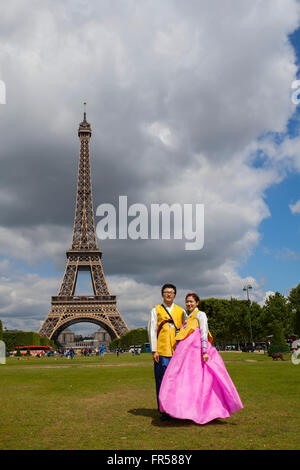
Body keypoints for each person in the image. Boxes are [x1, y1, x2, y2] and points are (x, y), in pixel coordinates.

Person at [159, 292, 243, 424]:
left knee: (200, 382)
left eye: (191, 301)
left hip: (197, 352)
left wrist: (204, 350)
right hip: (188, 354)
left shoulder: (200, 314)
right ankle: (191, 410)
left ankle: (203, 410)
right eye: (187, 301)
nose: (189, 304)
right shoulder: (188, 317)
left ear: (197, 303)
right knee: (192, 383)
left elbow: (204, 331)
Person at [147, 283, 186, 421]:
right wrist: (154, 350)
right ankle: (163, 410)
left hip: (177, 352)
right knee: (161, 381)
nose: (168, 294)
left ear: (175, 294)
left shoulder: (181, 311)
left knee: (178, 382)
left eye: (171, 292)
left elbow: (186, 329)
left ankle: (176, 408)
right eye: (166, 292)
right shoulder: (155, 310)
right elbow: (152, 330)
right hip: (162, 352)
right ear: (162, 294)